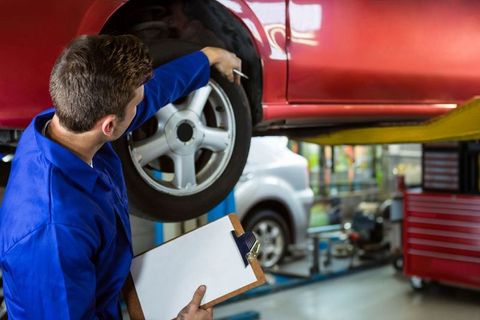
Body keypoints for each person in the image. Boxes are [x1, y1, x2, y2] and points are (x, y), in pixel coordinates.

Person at [0, 34, 241, 319]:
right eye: (135, 105)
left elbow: (152, 94)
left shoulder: (64, 122)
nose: (142, 106)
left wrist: (208, 56)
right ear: (109, 125)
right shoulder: (55, 232)